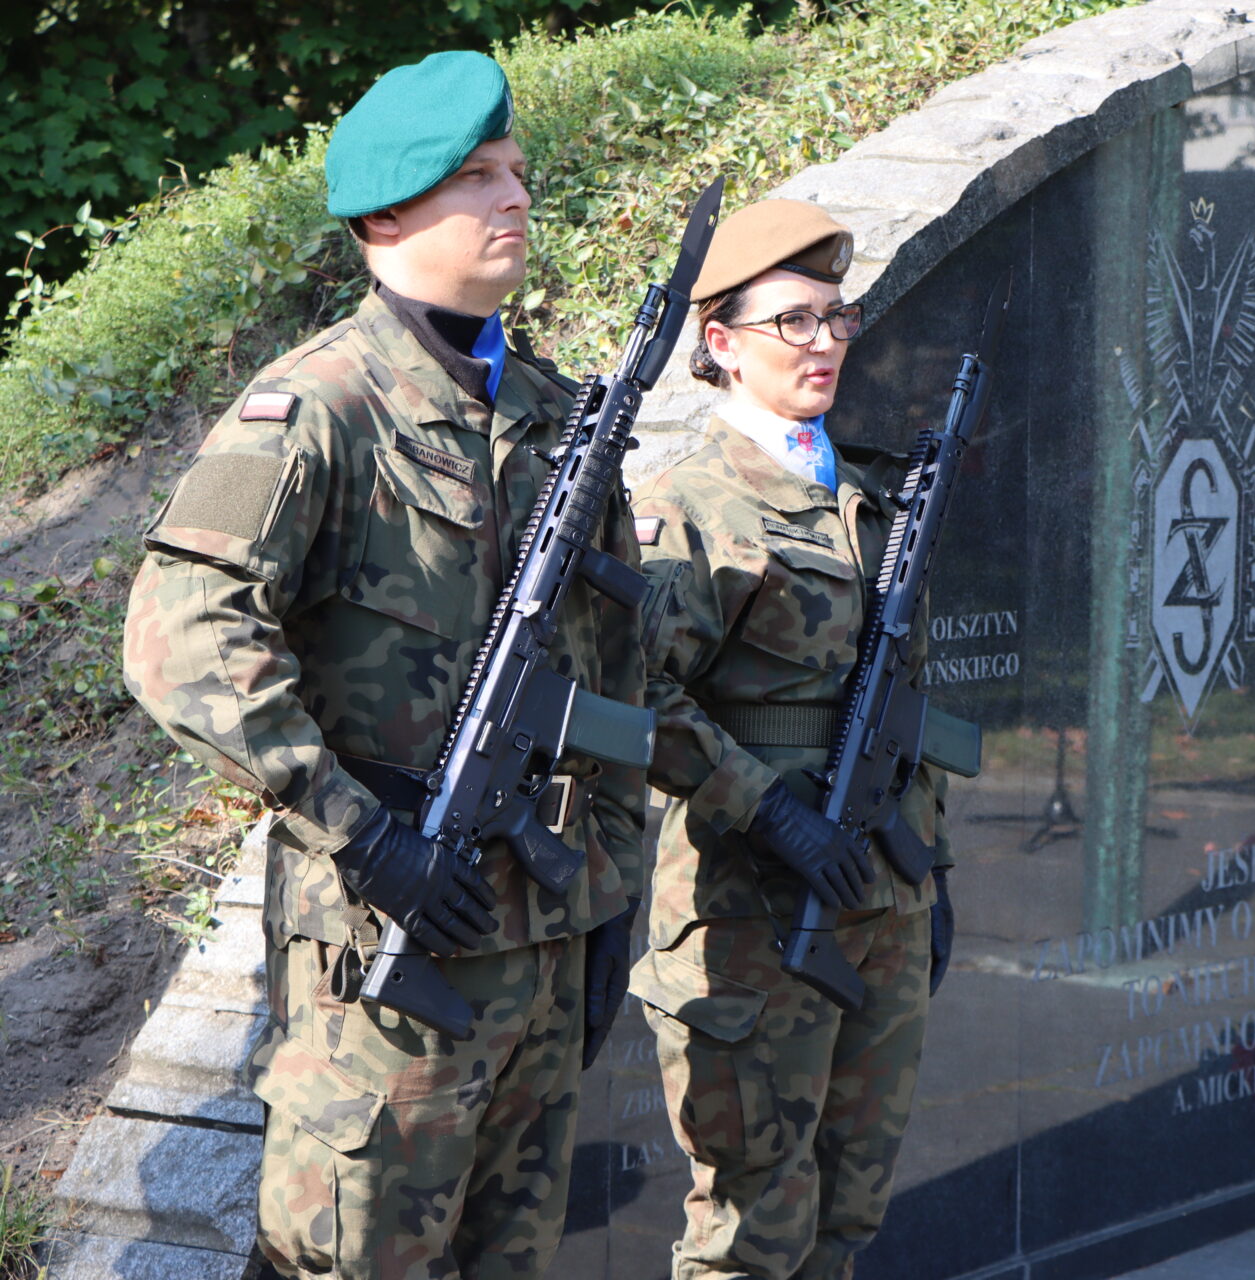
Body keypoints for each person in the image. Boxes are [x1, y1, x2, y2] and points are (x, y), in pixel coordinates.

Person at [121, 51, 650, 1279]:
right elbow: (180, 636)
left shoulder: (555, 413)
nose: (514, 196)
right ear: (386, 217)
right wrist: (360, 833)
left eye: (516, 170)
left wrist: (613, 883)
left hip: (543, 940)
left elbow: (617, 667)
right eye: (477, 177)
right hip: (383, 961)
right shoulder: (317, 409)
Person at [627, 198, 957, 1279]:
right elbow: (636, 691)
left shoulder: (863, 496)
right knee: (752, 1229)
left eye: (836, 317)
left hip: (882, 896)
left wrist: (934, 867)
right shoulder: (689, 506)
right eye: (793, 322)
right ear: (721, 343)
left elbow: (904, 701)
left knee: (848, 1213)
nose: (825, 342)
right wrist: (766, 806)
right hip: (755, 916)